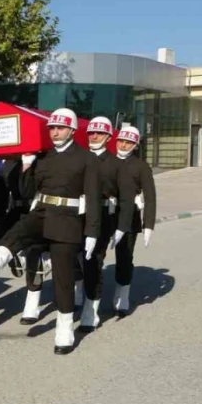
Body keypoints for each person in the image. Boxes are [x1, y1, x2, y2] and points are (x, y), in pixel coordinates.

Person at [0, 108, 101, 355]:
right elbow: (28, 191)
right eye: (51, 128)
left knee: (63, 277)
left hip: (68, 219)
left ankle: (64, 328)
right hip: (41, 211)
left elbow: (93, 197)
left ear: (72, 130)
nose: (55, 132)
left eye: (60, 128)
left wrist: (92, 231)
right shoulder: (44, 157)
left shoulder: (86, 158)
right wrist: (27, 163)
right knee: (19, 230)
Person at [0, 144, 46, 325]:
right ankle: (13, 259)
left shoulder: (44, 160)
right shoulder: (10, 163)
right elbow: (2, 195)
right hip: (16, 210)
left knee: (34, 255)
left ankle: (32, 304)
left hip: (37, 210)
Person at [77, 117, 122, 331]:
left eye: (99, 134)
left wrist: (120, 227)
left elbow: (122, 194)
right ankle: (79, 293)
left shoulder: (115, 163)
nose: (94, 137)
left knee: (93, 261)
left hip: (104, 214)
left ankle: (90, 308)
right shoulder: (80, 157)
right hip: (77, 213)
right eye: (91, 133)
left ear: (108, 137)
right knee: (73, 258)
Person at [110, 125, 158, 318]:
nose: (123, 144)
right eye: (121, 140)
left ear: (135, 145)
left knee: (124, 257)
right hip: (107, 215)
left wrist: (148, 224)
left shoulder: (141, 166)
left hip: (129, 217)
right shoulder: (106, 161)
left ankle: (123, 295)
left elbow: (151, 196)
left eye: (129, 142)